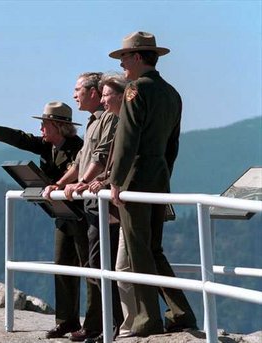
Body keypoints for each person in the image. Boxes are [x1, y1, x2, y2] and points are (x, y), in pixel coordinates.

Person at [0, 101, 92, 340]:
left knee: (89, 268)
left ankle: (95, 322)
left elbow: (79, 172)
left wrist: (59, 186)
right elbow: (21, 138)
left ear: (58, 126)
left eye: (45, 124)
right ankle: (66, 321)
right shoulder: (47, 146)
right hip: (62, 215)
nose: (41, 129)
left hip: (82, 216)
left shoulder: (78, 148)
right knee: (62, 266)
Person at [107, 31, 198, 337]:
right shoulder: (172, 93)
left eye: (123, 58)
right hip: (158, 176)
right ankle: (181, 311)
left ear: (136, 57)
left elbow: (127, 139)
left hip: (136, 178)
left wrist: (116, 181)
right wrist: (164, 174)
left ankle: (148, 318)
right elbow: (173, 144)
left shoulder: (136, 90)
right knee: (154, 248)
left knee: (138, 250)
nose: (121, 64)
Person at [43, 72, 123, 342]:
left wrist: (82, 183)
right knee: (90, 265)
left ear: (93, 92)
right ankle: (93, 324)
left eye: (78, 89)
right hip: (87, 202)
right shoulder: (92, 123)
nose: (74, 94)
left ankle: (103, 324)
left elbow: (99, 158)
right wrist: (59, 184)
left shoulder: (109, 118)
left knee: (99, 266)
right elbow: (79, 162)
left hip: (97, 204)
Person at [87, 74, 137, 339]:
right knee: (113, 267)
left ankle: (125, 324)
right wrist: (101, 180)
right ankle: (117, 325)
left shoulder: (123, 122)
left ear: (120, 95)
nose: (102, 99)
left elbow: (120, 159)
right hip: (114, 200)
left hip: (122, 202)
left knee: (122, 267)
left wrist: (103, 180)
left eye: (106, 95)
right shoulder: (112, 120)